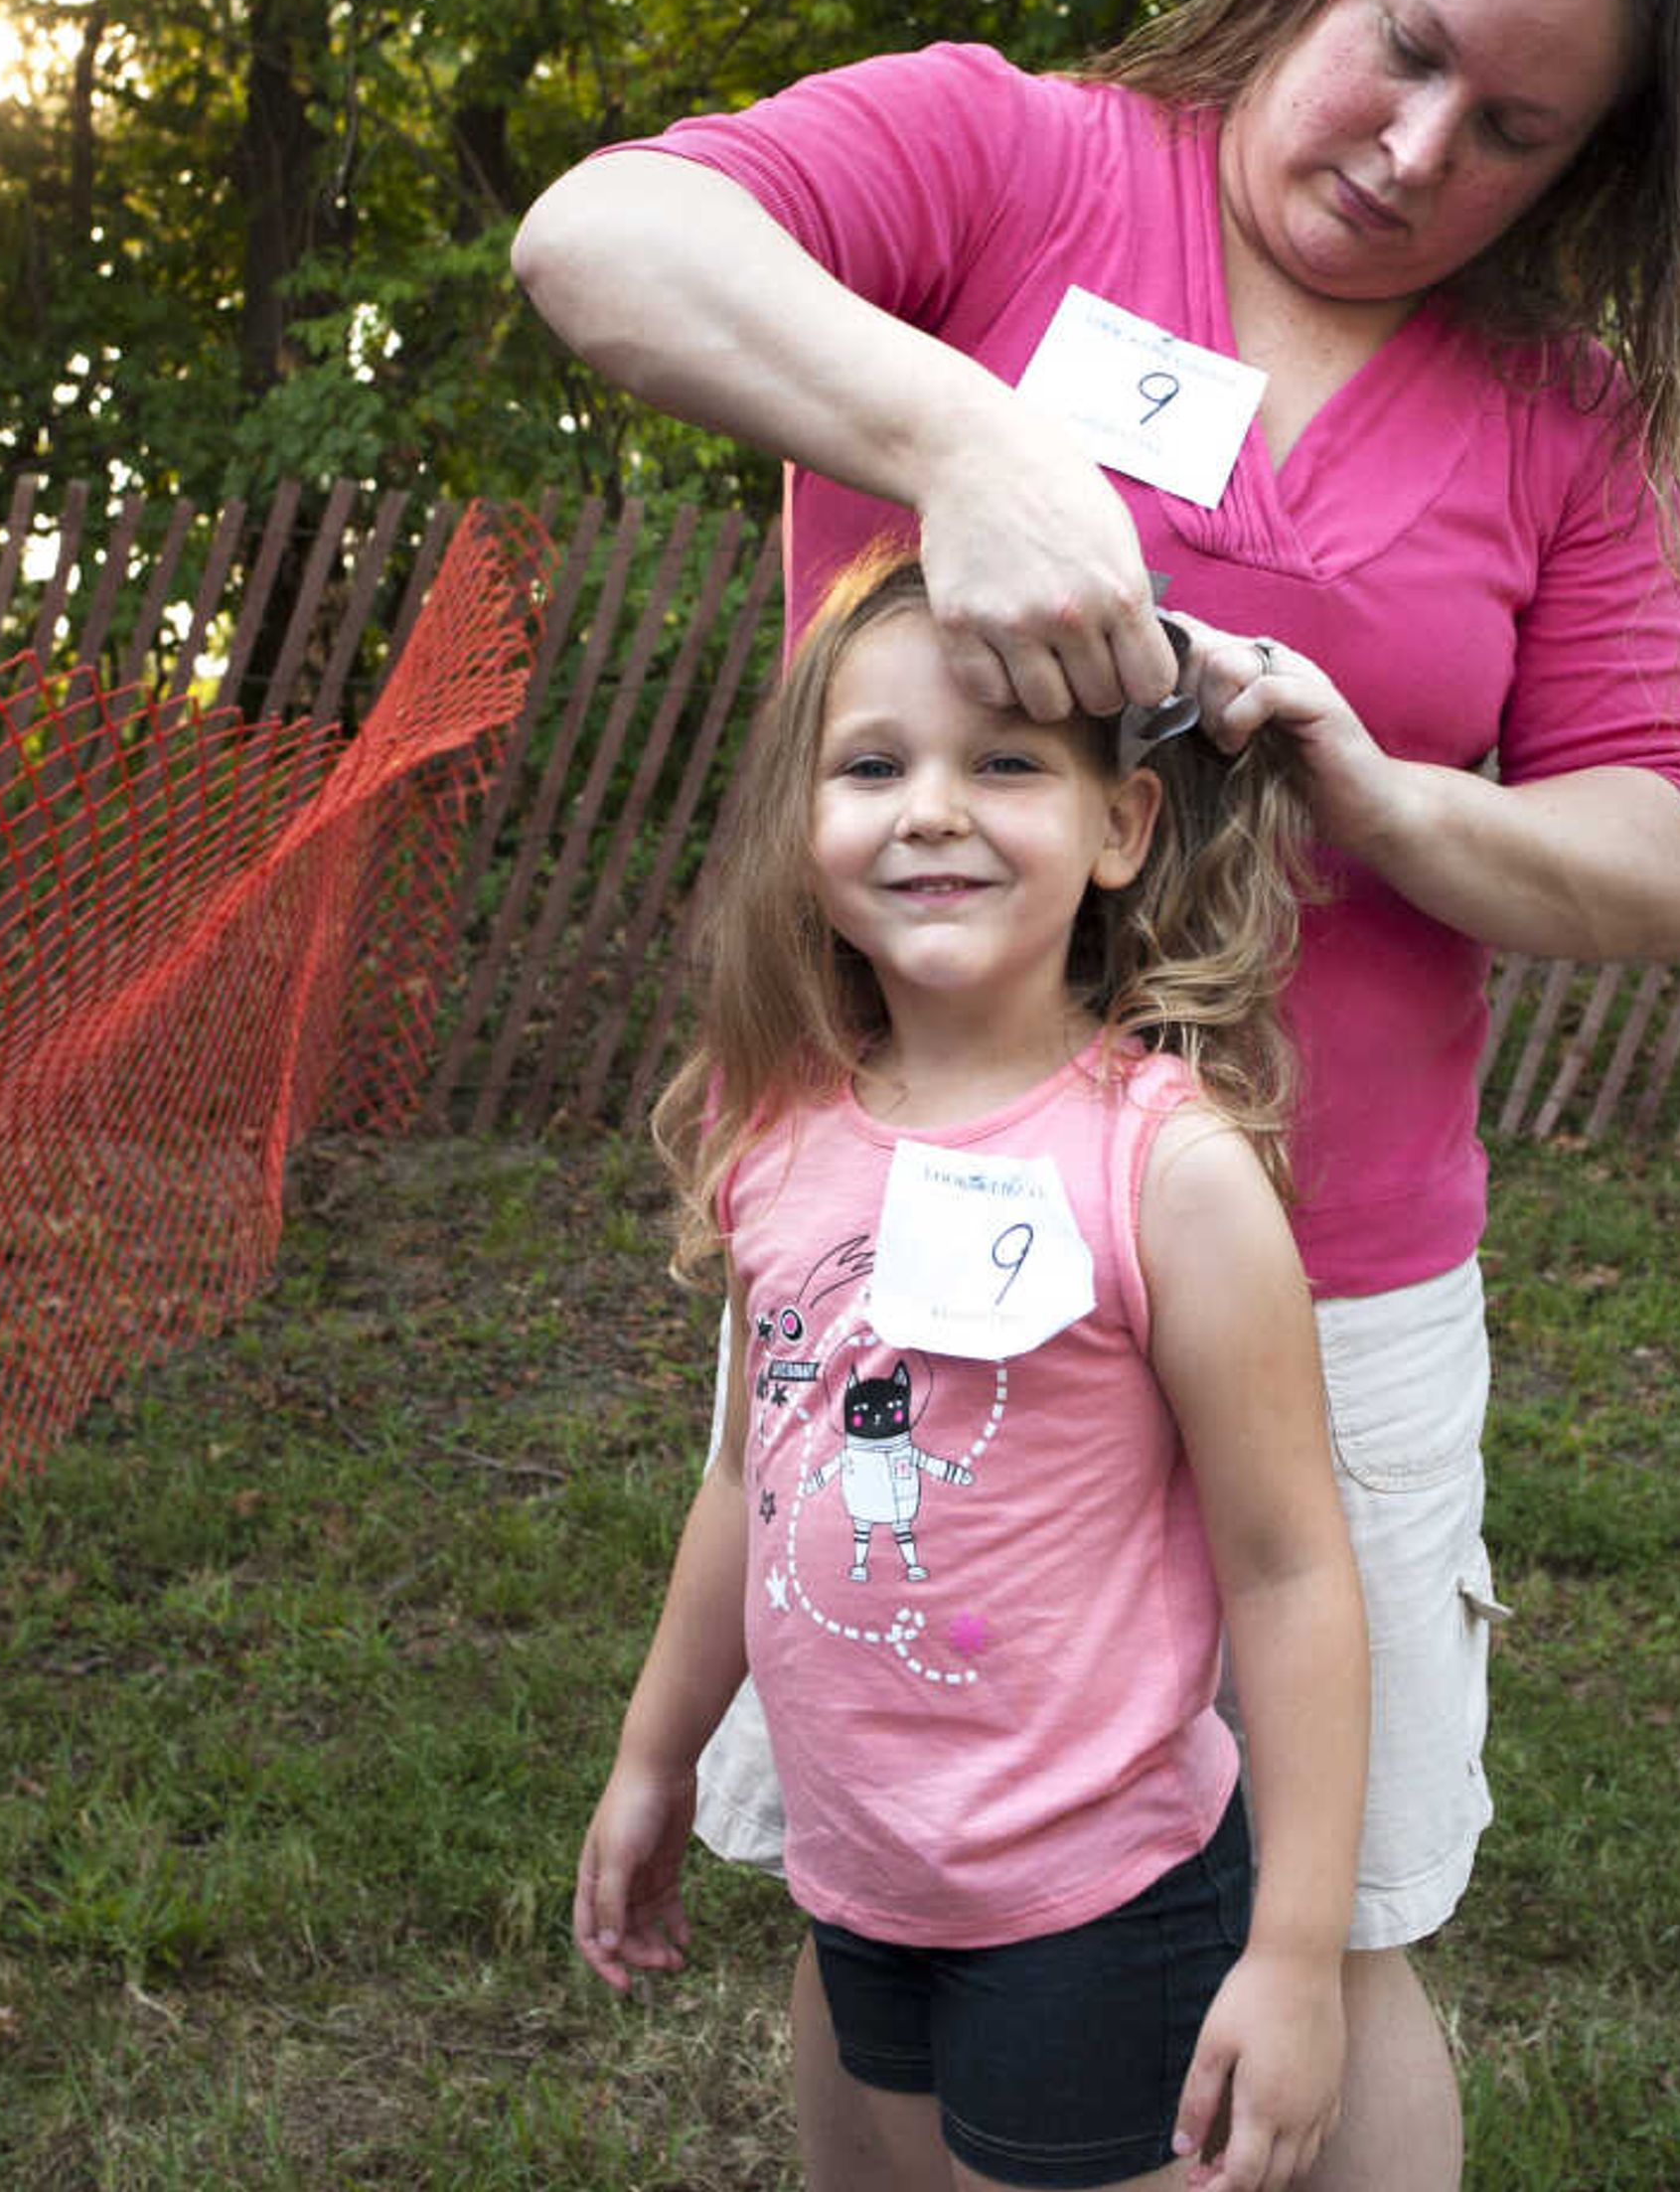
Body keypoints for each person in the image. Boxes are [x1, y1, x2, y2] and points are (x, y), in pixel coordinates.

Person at [519, 0, 1680, 2192]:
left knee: (1343, 1915)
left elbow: (1670, 852)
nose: (1418, 150)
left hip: (1337, 1278)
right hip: (908, 1225)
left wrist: (1393, 803)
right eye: (1408, 43)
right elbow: (597, 243)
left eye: (1513, 131)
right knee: (892, 1880)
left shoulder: (1558, 419)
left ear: (1583, 175)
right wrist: (957, 441)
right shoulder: (1007, 156)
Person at [574, 548, 1369, 2192]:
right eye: (874, 766)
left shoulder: (1168, 1173)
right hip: (863, 1880)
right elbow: (751, 1474)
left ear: (1119, 828)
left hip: (1100, 1902)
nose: (931, 808)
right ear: (808, 828)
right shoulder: (776, 1137)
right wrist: (655, 1759)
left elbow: (1292, 1571)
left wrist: (1294, 1953)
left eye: (1003, 762)